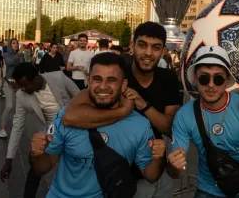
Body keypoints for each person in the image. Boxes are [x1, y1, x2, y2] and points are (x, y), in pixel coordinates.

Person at [62, 22, 181, 198]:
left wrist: (143, 105)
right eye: (142, 45)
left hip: (155, 166)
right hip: (116, 172)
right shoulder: (117, 74)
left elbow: (170, 128)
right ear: (132, 46)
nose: (148, 53)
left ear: (163, 50)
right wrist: (123, 111)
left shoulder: (168, 80)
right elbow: (70, 116)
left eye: (155, 47)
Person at [30, 53, 165, 197]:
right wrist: (37, 154)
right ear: (88, 80)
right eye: (97, 79)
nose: (103, 86)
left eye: (111, 80)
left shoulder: (140, 124)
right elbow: (43, 167)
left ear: (123, 84)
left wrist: (159, 158)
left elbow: (150, 176)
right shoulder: (65, 115)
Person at [168, 45, 239, 197]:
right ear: (195, 79)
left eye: (218, 78)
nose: (211, 85)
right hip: (207, 190)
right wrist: (173, 167)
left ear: (227, 79)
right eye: (204, 78)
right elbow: (175, 172)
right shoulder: (184, 115)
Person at [0, 63, 80, 197]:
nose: (23, 89)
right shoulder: (21, 95)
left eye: (25, 85)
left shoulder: (59, 78)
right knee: (36, 168)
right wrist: (9, 160)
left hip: (74, 129)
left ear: (36, 78)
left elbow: (81, 99)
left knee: (75, 167)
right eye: (20, 87)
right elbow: (17, 126)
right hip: (50, 133)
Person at [0, 38, 26, 138]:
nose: (16, 45)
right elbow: (11, 63)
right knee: (9, 106)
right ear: (10, 45)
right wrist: (19, 53)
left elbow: (22, 66)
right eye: (13, 43)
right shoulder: (6, 54)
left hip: (19, 83)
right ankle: (2, 129)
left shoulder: (20, 54)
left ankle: (18, 128)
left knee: (20, 107)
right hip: (9, 82)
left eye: (17, 43)